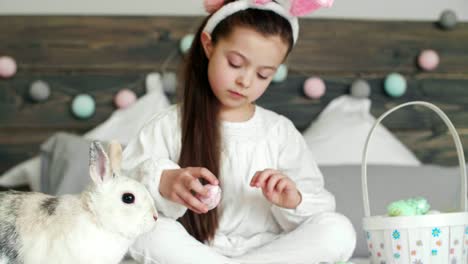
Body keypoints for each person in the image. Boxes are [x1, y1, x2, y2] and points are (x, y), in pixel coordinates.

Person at [122, 0, 356, 263]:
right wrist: (164, 182)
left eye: (264, 74)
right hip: (193, 251)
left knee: (338, 229)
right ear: (208, 45)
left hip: (269, 252)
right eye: (235, 63)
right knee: (144, 232)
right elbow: (123, 191)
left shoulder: (279, 131)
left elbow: (318, 210)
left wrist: (293, 200)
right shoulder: (169, 124)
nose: (245, 81)